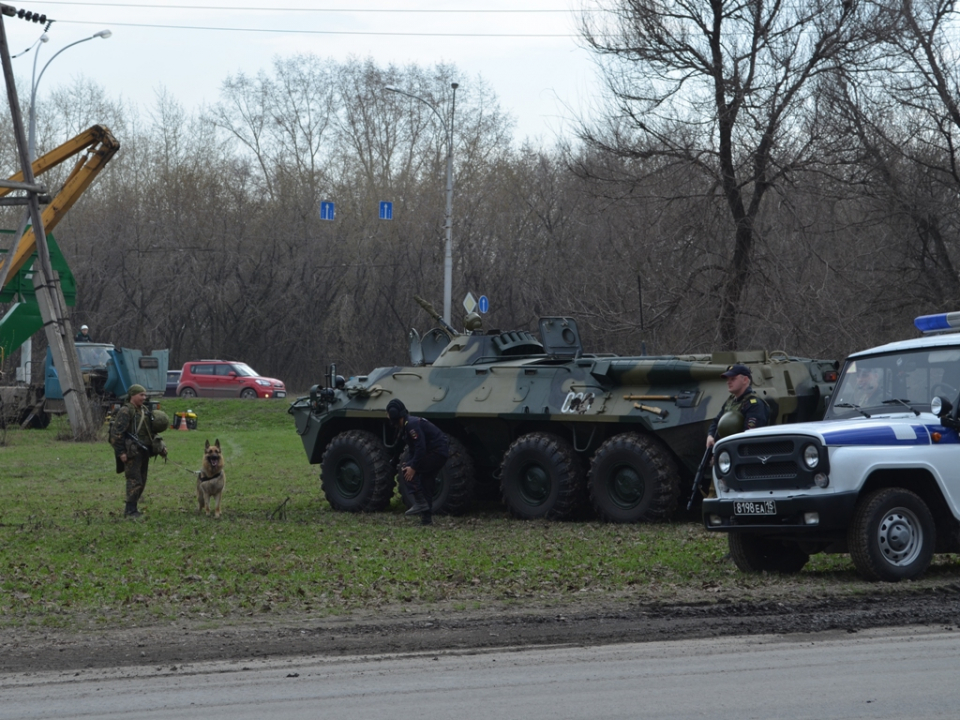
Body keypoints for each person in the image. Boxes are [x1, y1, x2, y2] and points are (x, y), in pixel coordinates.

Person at [387, 398, 449, 526]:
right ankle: (426, 520)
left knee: (406, 471)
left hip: (436, 453)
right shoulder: (407, 425)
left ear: (394, 415)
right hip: (437, 453)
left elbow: (420, 448)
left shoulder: (411, 425)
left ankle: (420, 503)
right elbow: (413, 449)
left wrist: (413, 467)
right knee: (426, 482)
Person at [109, 384, 164, 518]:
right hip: (132, 452)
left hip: (144, 451)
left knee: (142, 481)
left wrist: (160, 447)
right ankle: (130, 510)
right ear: (133, 395)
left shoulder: (143, 410)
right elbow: (116, 434)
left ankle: (134, 508)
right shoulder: (126, 411)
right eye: (141, 395)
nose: (144, 398)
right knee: (134, 480)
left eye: (145, 395)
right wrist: (121, 452)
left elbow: (151, 432)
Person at [706, 364, 771, 450]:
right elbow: (717, 421)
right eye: (728, 379)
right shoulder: (731, 401)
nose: (728, 382)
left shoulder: (754, 404)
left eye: (733, 379)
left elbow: (750, 436)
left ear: (745, 380)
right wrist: (710, 435)